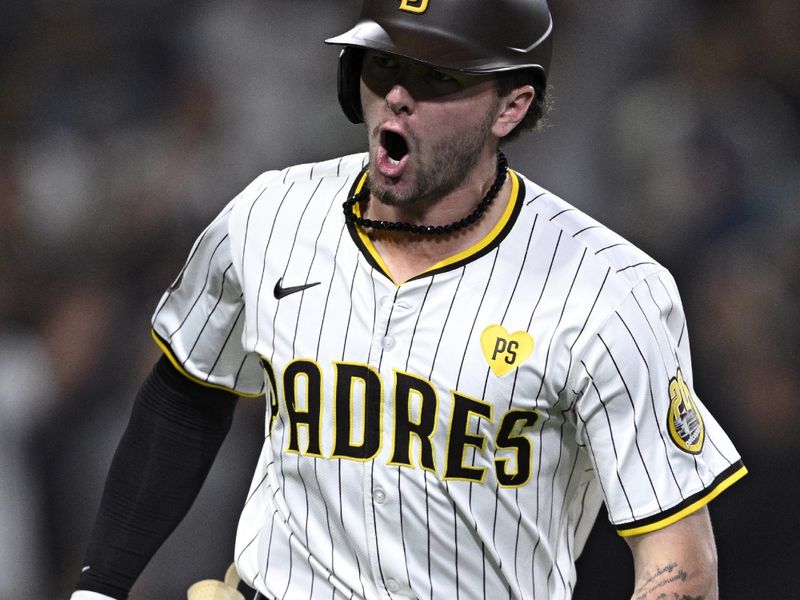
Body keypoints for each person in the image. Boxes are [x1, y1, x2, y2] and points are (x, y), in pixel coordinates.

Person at [72, 1, 747, 599]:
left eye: (437, 77)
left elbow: (678, 558)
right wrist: (101, 587)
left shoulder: (607, 289)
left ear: (509, 106)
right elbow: (187, 392)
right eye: (381, 64)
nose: (397, 95)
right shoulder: (270, 217)